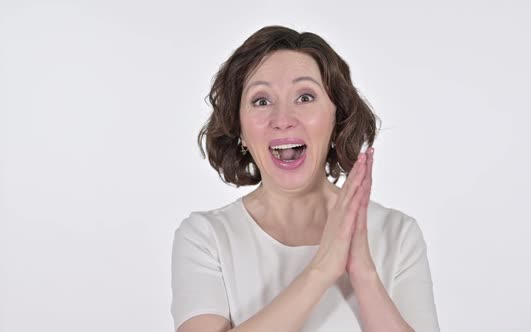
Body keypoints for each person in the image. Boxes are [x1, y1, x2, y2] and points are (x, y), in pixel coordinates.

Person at [171, 25, 440, 332]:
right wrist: (322, 269)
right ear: (240, 128)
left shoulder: (398, 234)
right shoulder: (206, 238)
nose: (283, 120)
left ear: (337, 118)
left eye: (305, 97)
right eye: (261, 100)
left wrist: (364, 275)